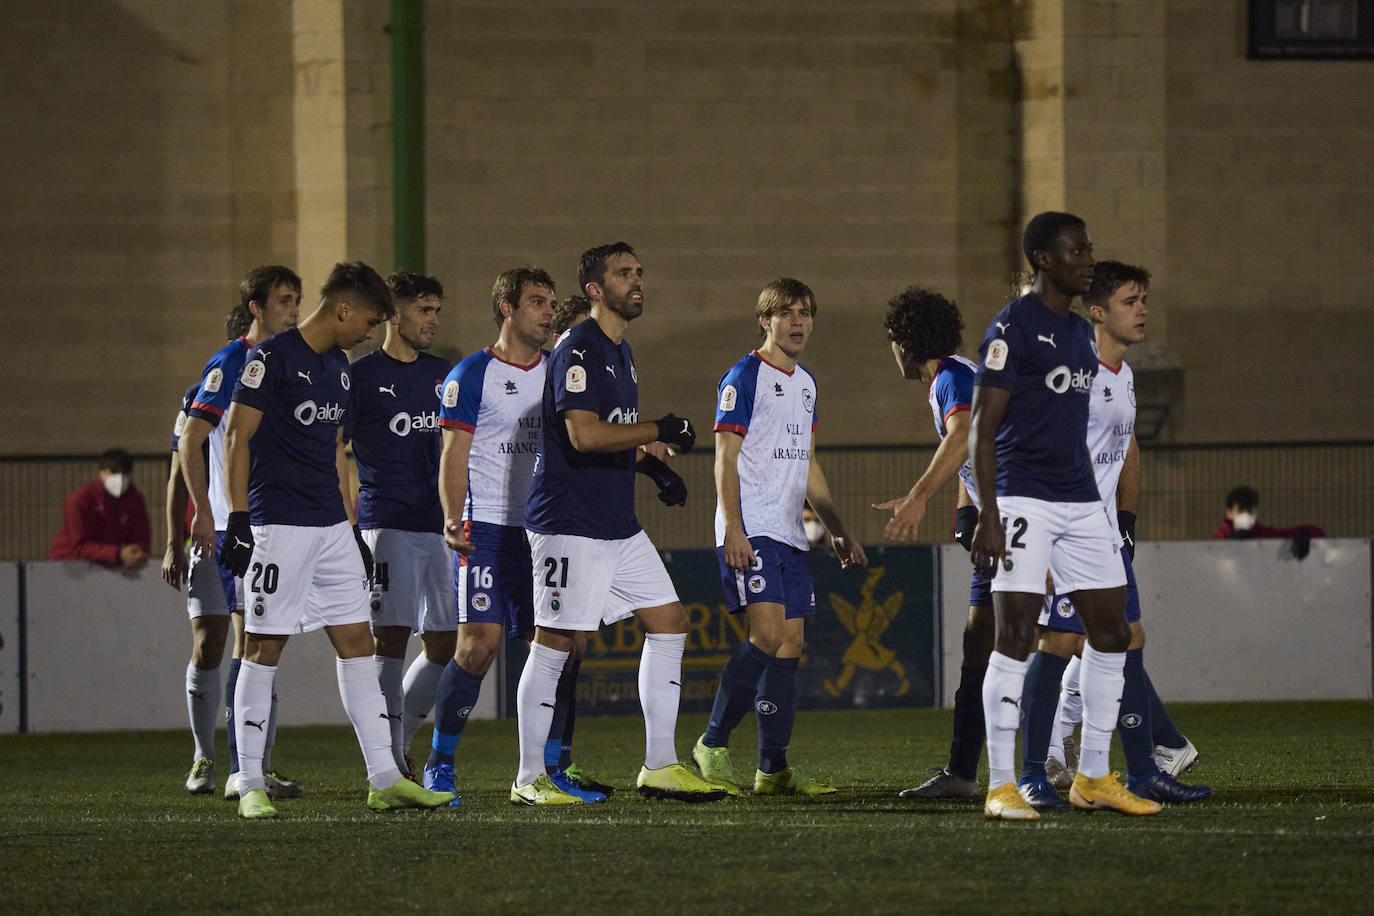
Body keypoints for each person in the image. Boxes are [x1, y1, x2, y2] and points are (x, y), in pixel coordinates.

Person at [219, 260, 455, 818]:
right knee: (263, 645)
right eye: (370, 320)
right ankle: (249, 779)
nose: (371, 331)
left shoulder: (340, 369)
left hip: (330, 528)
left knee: (359, 645)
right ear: (344, 309)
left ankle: (384, 777)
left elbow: (334, 451)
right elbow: (236, 434)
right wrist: (237, 517)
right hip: (278, 525)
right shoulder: (270, 359)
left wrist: (350, 529)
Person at [512, 241, 722, 804]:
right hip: (568, 522)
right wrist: (659, 428)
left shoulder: (620, 352)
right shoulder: (578, 348)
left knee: (671, 621)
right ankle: (529, 778)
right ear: (594, 290)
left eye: (639, 272)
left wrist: (651, 465)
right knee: (554, 642)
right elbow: (583, 434)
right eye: (623, 274)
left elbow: (612, 435)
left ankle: (659, 765)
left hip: (615, 522)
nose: (637, 281)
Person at [968, 212, 1160, 819]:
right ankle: (1001, 786)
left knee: (1112, 633)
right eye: (1076, 250)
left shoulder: (1080, 334)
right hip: (1023, 500)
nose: (1089, 259)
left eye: (1089, 248)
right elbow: (982, 427)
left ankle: (1094, 777)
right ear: (1043, 259)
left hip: (1080, 503)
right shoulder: (1012, 327)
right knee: (1018, 638)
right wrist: (989, 514)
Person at [1013, 261, 1210, 809]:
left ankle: (1141, 770)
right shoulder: (1073, 373)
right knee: (1059, 643)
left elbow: (1126, 448)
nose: (1142, 309)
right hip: (1065, 531)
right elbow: (1036, 450)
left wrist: (1125, 521)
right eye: (1130, 300)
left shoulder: (1122, 375)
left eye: (1143, 298)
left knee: (1127, 638)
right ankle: (1031, 773)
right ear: (1097, 313)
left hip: (1103, 536)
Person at [423, 266, 608, 806]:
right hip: (489, 529)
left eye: (551, 302)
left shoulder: (559, 371)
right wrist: (452, 515)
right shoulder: (471, 373)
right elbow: (453, 454)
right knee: (477, 648)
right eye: (537, 302)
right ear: (507, 308)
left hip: (547, 529)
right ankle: (440, 764)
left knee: (567, 649)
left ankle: (554, 766)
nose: (550, 311)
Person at [691, 278, 865, 797]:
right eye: (787, 312)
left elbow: (809, 466)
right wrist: (734, 529)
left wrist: (836, 530)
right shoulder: (743, 377)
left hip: (790, 533)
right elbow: (724, 458)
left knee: (790, 646)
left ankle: (773, 769)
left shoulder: (807, 384)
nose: (799, 322)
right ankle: (712, 743)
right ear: (764, 320)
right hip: (753, 528)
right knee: (766, 637)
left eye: (806, 313)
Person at [177, 266, 303, 801]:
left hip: (272, 524)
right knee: (215, 645)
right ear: (255, 307)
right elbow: (190, 442)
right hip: (230, 526)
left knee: (258, 643)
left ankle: (253, 766)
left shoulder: (292, 362)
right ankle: (208, 757)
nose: (293, 310)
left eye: (297, 300)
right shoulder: (230, 363)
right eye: (283, 300)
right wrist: (202, 514)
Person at [872, 286, 992, 800]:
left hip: (1027, 524)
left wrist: (919, 497)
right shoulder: (955, 374)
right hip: (1001, 524)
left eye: (891, 340)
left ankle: (1143, 745)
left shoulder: (951, 377)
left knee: (1057, 644)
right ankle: (963, 774)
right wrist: (967, 510)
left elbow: (963, 434)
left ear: (905, 342)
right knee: (982, 646)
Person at [346, 271, 453, 779]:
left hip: (440, 527)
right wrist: (346, 522)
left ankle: (400, 737)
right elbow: (335, 451)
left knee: (446, 643)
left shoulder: (444, 374)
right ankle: (387, 754)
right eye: (424, 309)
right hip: (386, 524)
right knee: (389, 637)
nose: (433, 319)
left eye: (436, 310)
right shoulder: (362, 377)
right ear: (394, 313)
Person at [49, 449, 150, 569]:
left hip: (109, 566)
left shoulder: (135, 500)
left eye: (125, 472)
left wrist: (136, 554)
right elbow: (79, 546)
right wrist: (117, 554)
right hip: (69, 566)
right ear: (102, 472)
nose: (120, 477)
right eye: (114, 471)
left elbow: (141, 538)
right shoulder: (79, 500)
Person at [1211, 486, 1324, 554]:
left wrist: (1305, 533)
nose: (1246, 515)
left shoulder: (1263, 534)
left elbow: (1318, 532)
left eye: (1250, 511)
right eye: (1240, 511)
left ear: (1256, 513)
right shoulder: (1218, 540)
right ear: (1229, 513)